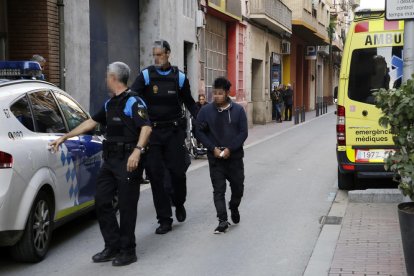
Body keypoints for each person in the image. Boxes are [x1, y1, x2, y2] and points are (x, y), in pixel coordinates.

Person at [50, 62, 152, 266]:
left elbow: (147, 127)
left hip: (128, 160)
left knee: (126, 205)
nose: (105, 79)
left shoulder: (134, 101)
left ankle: (128, 250)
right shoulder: (110, 103)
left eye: (107, 76)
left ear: (113, 77)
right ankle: (112, 246)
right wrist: (65, 137)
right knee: (102, 201)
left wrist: (137, 152)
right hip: (111, 159)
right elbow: (91, 122)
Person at [131, 40, 198, 234]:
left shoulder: (179, 77)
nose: (157, 58)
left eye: (160, 54)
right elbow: (133, 98)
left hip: (174, 133)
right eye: (154, 55)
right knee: (155, 175)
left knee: (177, 172)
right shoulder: (145, 76)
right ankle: (164, 219)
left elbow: (190, 103)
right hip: (153, 133)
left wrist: (203, 120)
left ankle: (179, 202)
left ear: (168, 53)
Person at [196, 77, 248, 234]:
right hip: (216, 158)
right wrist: (213, 149)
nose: (216, 96)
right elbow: (198, 131)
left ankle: (234, 206)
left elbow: (243, 133)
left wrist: (230, 149)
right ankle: (222, 220)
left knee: (238, 188)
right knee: (218, 190)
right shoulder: (205, 111)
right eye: (214, 93)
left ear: (227, 93)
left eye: (220, 93)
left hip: (235, 158)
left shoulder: (238, 111)